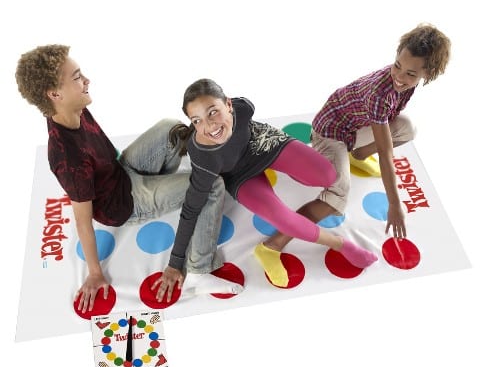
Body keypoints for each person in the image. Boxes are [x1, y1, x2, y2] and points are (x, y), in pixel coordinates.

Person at [15, 45, 228, 313]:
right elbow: (83, 221)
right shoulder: (66, 158)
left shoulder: (71, 107)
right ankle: (199, 269)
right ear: (55, 94)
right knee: (212, 186)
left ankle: (176, 188)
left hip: (121, 172)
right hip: (126, 204)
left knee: (170, 128)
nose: (86, 81)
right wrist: (94, 272)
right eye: (78, 77)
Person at [152, 78, 378, 301]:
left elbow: (243, 114)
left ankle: (319, 160)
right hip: (239, 176)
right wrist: (175, 263)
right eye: (197, 120)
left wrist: (289, 160)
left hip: (262, 144)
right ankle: (341, 245)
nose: (209, 126)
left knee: (328, 175)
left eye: (213, 112)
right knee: (283, 219)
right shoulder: (203, 157)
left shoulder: (243, 108)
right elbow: (191, 210)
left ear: (229, 104)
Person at [262, 23, 451, 267]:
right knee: (337, 198)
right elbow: (385, 152)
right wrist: (394, 203)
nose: (399, 76)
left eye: (410, 74)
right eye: (397, 65)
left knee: (407, 128)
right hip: (331, 132)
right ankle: (273, 244)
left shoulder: (404, 87)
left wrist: (369, 145)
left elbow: (388, 129)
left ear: (427, 75)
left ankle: (357, 155)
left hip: (354, 128)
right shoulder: (381, 93)